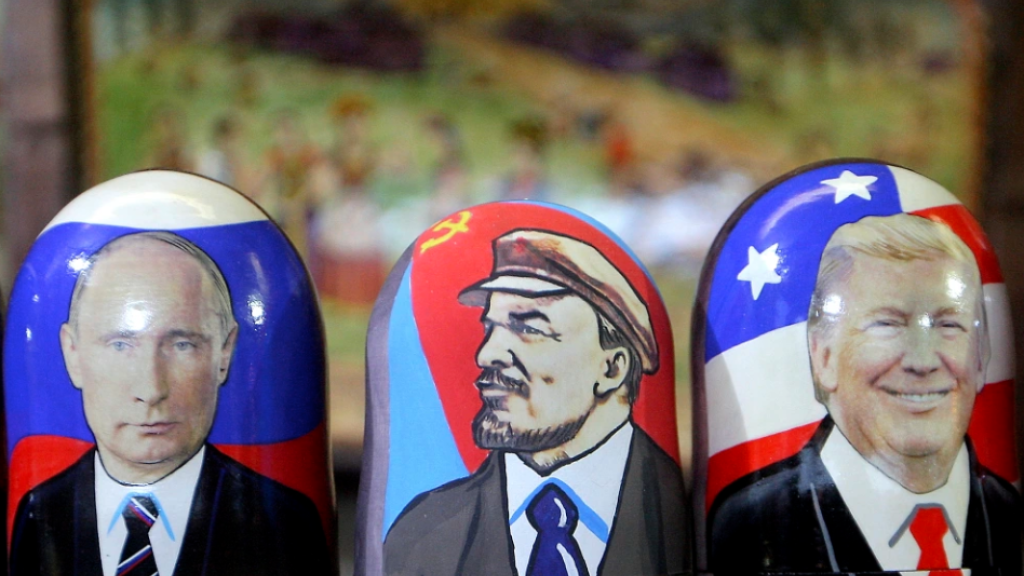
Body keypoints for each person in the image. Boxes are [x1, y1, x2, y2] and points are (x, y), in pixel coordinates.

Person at [710, 214, 1021, 574]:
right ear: (822, 354)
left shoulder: (1006, 510)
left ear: (982, 354)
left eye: (949, 324)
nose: (922, 361)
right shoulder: (751, 521)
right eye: (887, 324)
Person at [10, 231, 330, 576]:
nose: (151, 389)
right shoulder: (38, 512)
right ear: (72, 353)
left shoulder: (285, 520)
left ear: (225, 352)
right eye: (120, 345)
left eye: (182, 345)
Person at [384, 229, 686, 576]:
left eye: (528, 328)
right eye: (491, 328)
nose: (487, 354)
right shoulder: (421, 536)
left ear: (612, 367)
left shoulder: (682, 509)